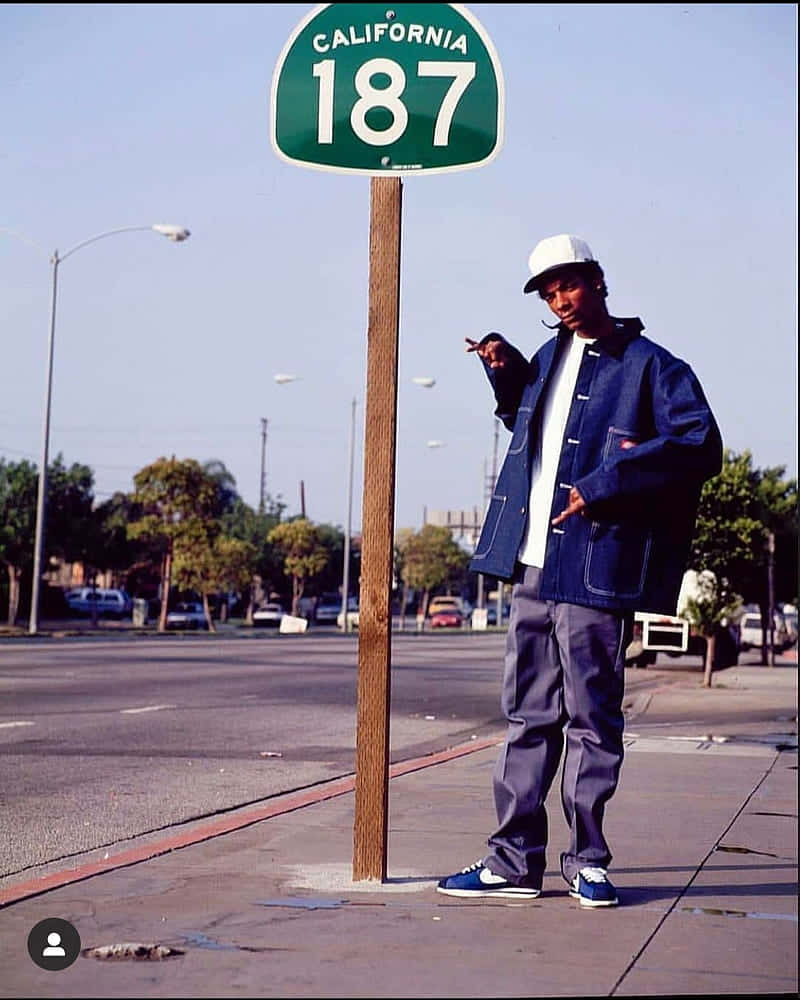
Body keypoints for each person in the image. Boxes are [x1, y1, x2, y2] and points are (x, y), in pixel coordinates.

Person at [437, 234, 722, 907]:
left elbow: (698, 443)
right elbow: (526, 425)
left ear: (597, 280)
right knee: (527, 715)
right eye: (548, 291)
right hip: (532, 564)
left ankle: (588, 860)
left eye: (570, 284)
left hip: (595, 567)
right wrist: (505, 370)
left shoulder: (652, 366)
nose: (560, 299)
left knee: (593, 718)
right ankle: (513, 862)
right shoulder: (549, 356)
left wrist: (605, 483)